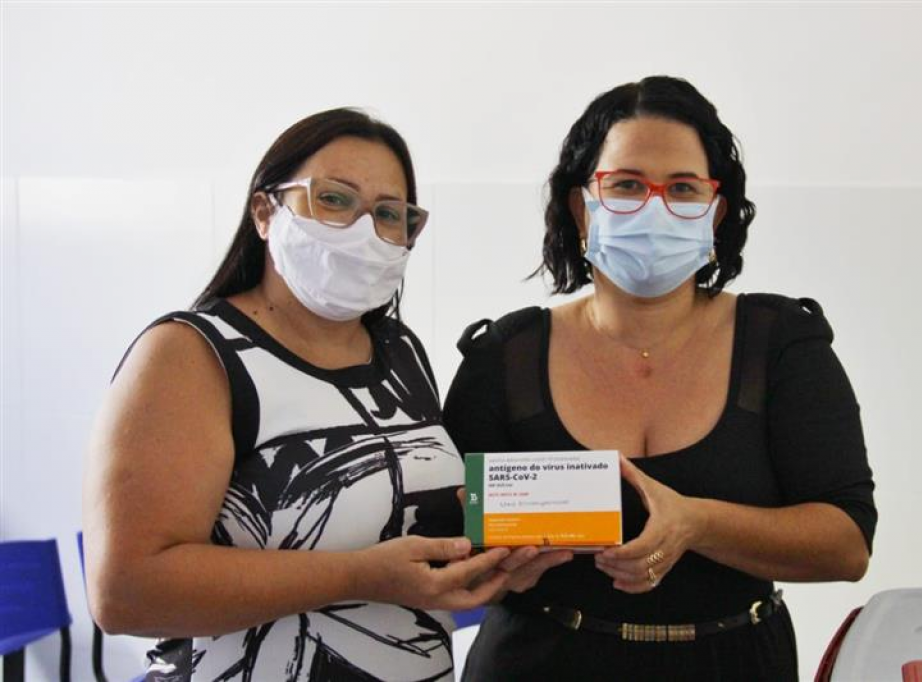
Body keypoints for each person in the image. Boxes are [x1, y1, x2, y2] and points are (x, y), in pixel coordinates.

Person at [443, 76, 878, 681]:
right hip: (536, 661)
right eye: (626, 185)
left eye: (682, 189)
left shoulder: (782, 344)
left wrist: (696, 524)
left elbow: (847, 545)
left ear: (715, 211)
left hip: (733, 662)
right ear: (581, 207)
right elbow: (445, 547)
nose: (654, 208)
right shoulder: (504, 355)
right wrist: (489, 567)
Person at [82, 108, 520, 681]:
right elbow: (125, 592)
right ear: (265, 212)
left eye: (389, 214)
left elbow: (407, 531)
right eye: (334, 199)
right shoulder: (190, 355)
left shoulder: (399, 351)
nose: (364, 232)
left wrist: (485, 563)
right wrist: (361, 577)